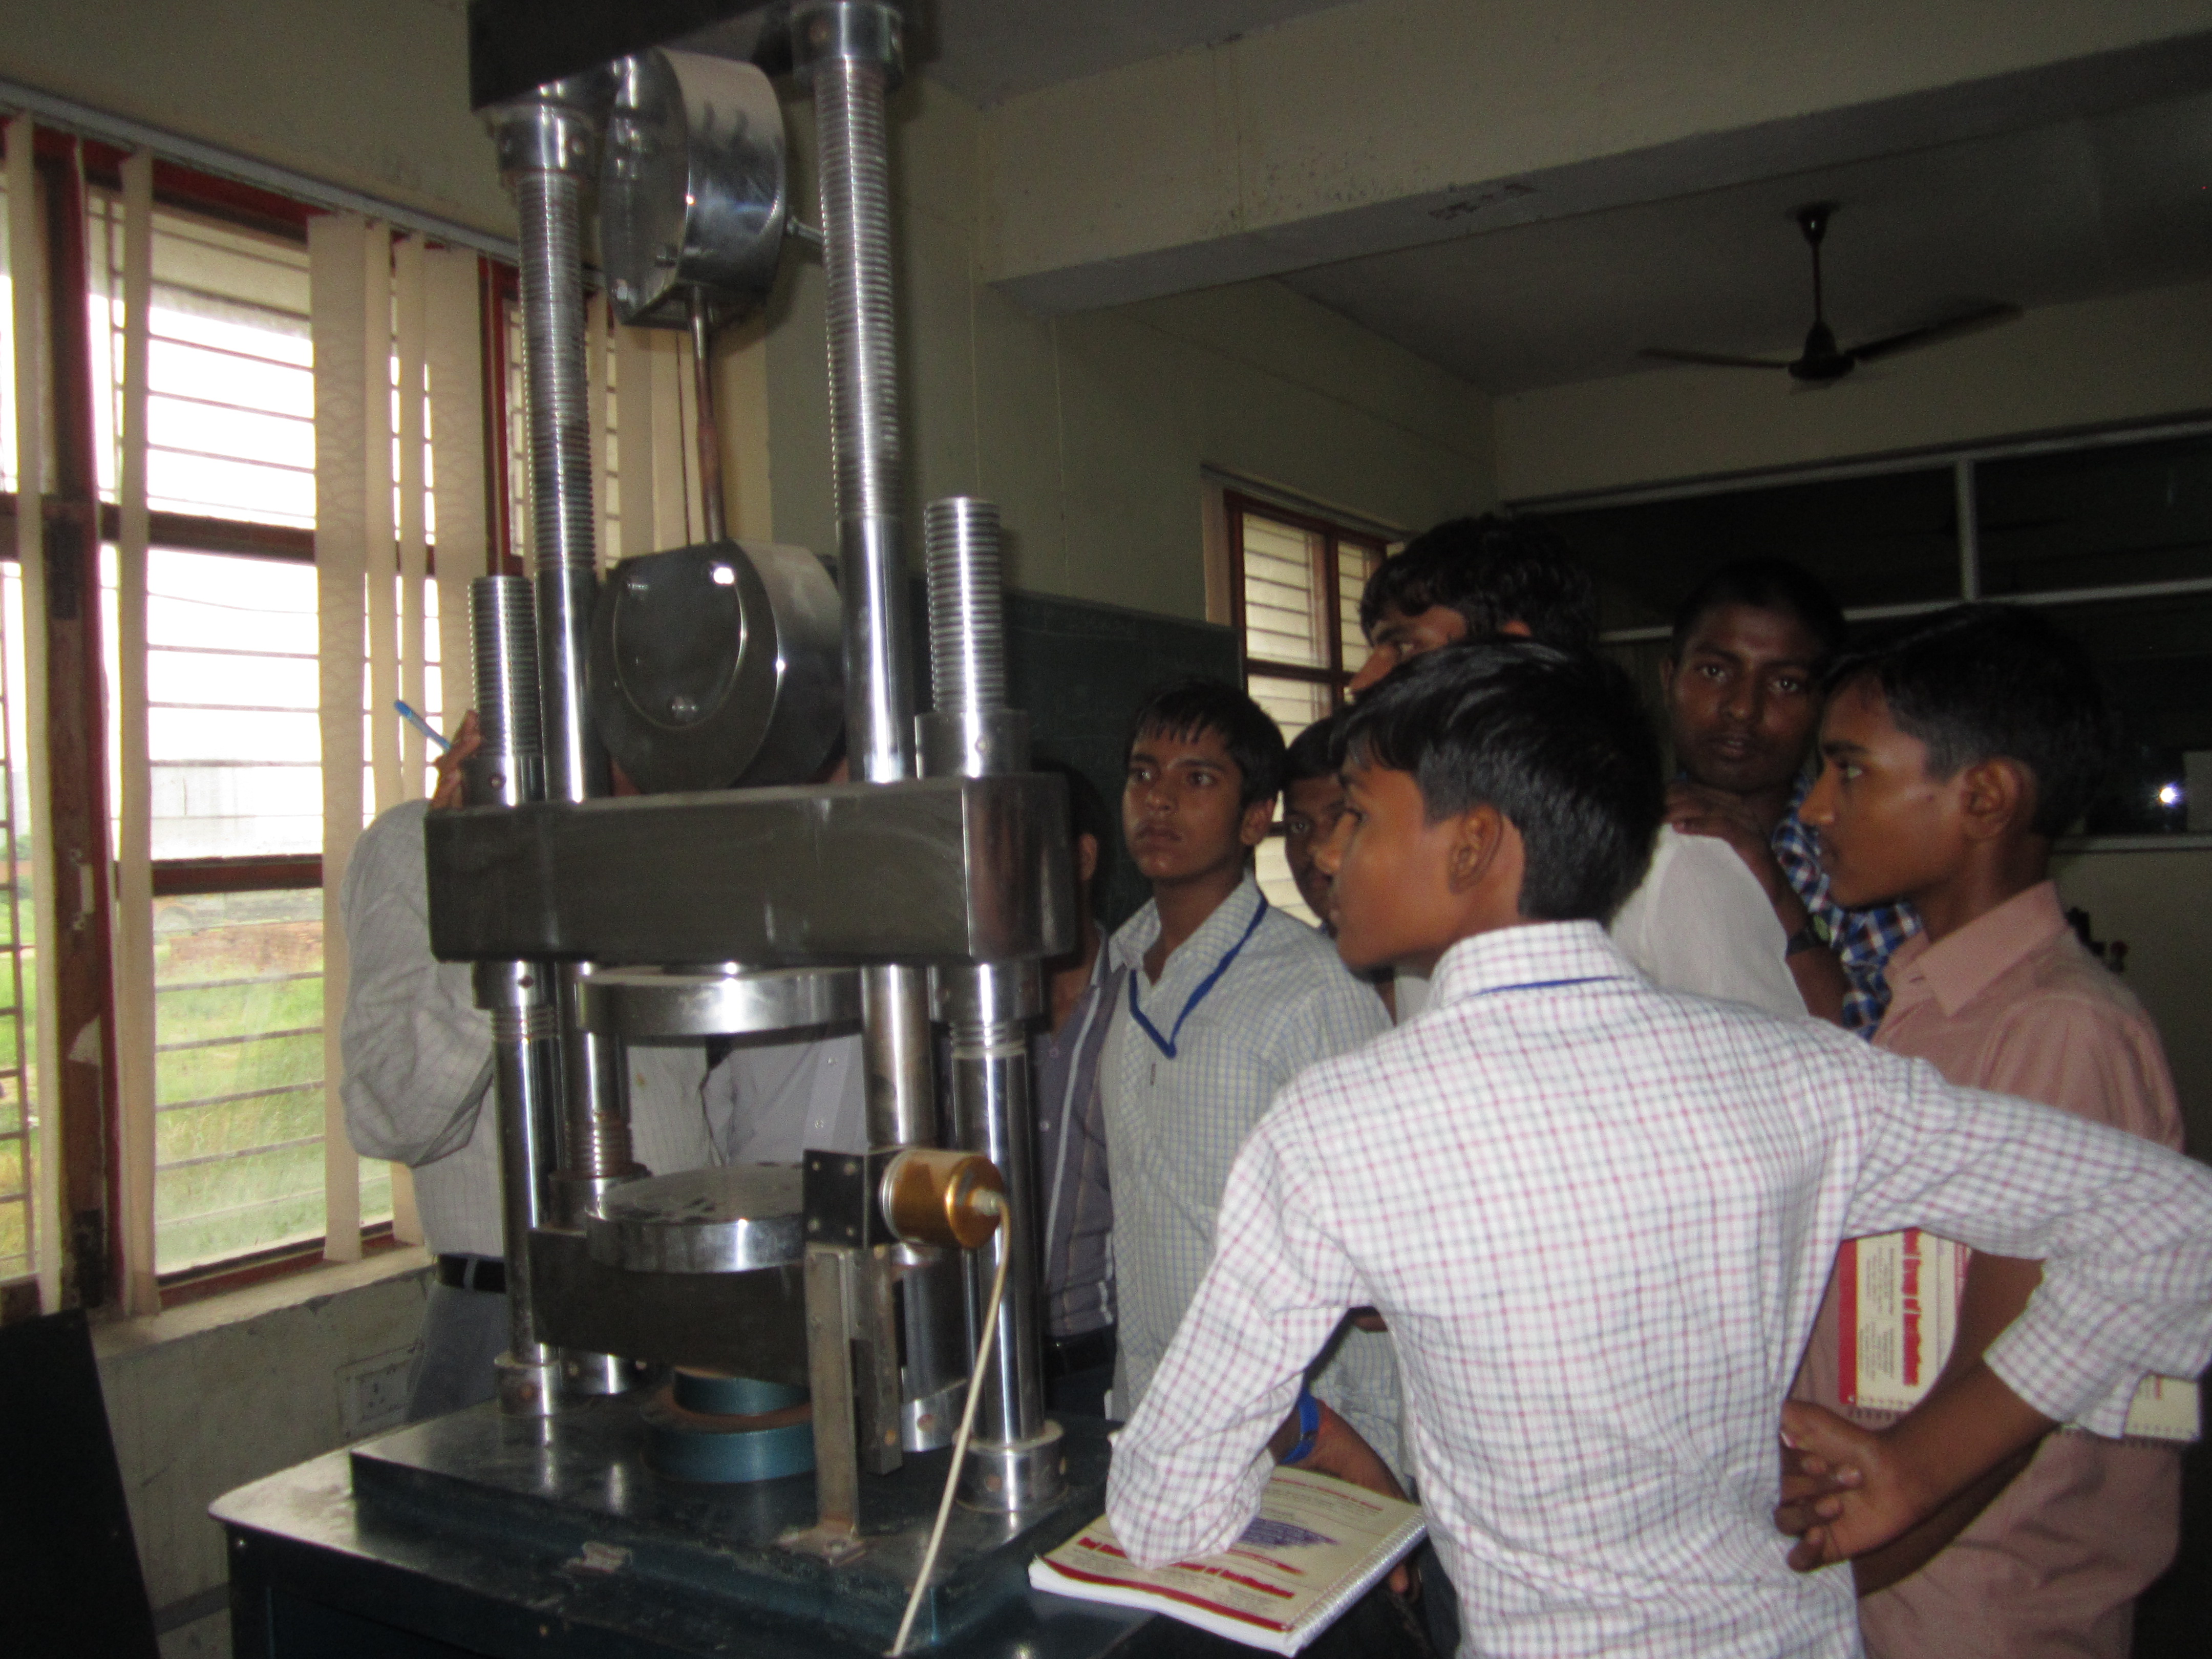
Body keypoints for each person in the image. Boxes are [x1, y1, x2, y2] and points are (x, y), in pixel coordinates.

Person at [1103, 641, 2212, 1658]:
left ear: (1475, 845)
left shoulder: (1341, 1126)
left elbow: (1166, 1504)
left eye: (1358, 815)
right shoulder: (1801, 1074)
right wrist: (1927, 1465)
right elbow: (2174, 1227)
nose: (1328, 852)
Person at [1780, 606, 2186, 1656]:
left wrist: (1845, 1564)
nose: (1815, 808)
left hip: (1976, 1595)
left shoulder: (2056, 1028)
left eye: (1850, 771)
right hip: (1899, 1576)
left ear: (1985, 798)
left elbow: (2017, 1373)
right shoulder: (1932, 1003)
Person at [341, 713, 718, 1421]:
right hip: (510, 1321)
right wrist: (500, 886)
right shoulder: (416, 847)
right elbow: (389, 1113)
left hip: (682, 1313)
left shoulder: (650, 854)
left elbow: (697, 1104)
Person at [1102, 678, 1401, 1486]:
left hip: (1307, 1440)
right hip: (1159, 1423)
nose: (1159, 799)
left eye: (1197, 778)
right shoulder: (1125, 978)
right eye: (1142, 774)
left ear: (1253, 817)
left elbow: (1378, 1246)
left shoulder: (1316, 989)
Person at [1352, 517, 1802, 1021]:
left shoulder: (1674, 862)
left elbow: (1764, 1059)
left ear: (1508, 656)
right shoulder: (1418, 868)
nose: (1363, 681)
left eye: (1403, 647)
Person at [1661, 559, 1919, 1032]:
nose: (1743, 708)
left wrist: (1778, 893)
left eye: (1785, 684)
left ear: (1825, 703)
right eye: (1715, 671)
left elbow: (1880, 1051)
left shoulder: (1868, 864)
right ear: (1668, 679)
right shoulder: (1609, 843)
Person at [1029, 759, 1122, 1415]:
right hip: (977, 1355)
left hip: (1102, 1359)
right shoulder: (959, 1016)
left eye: (1025, 849)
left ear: (1083, 858)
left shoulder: (1141, 999)